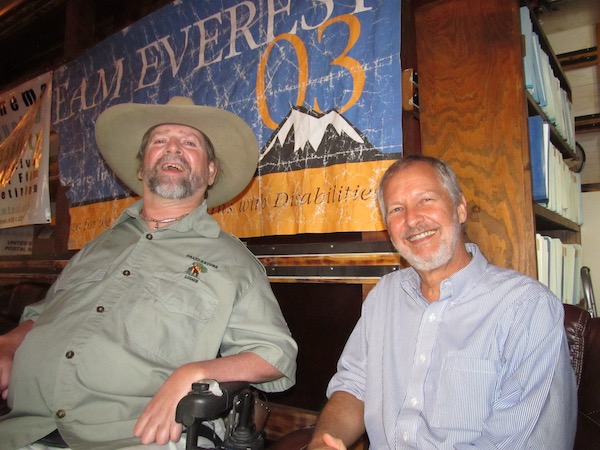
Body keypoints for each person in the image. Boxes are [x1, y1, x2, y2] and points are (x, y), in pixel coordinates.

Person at [0, 96, 298, 449]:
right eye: (160, 141)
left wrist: (195, 372)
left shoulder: (233, 261)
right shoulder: (97, 246)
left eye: (189, 143)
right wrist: (8, 343)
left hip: (136, 438)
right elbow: (45, 314)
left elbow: (275, 354)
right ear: (142, 167)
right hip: (21, 430)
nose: (173, 149)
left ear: (211, 172)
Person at [308, 155, 577, 450]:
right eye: (397, 209)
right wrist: (324, 442)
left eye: (425, 200)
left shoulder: (527, 308)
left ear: (460, 208)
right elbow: (354, 386)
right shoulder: (384, 296)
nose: (412, 219)